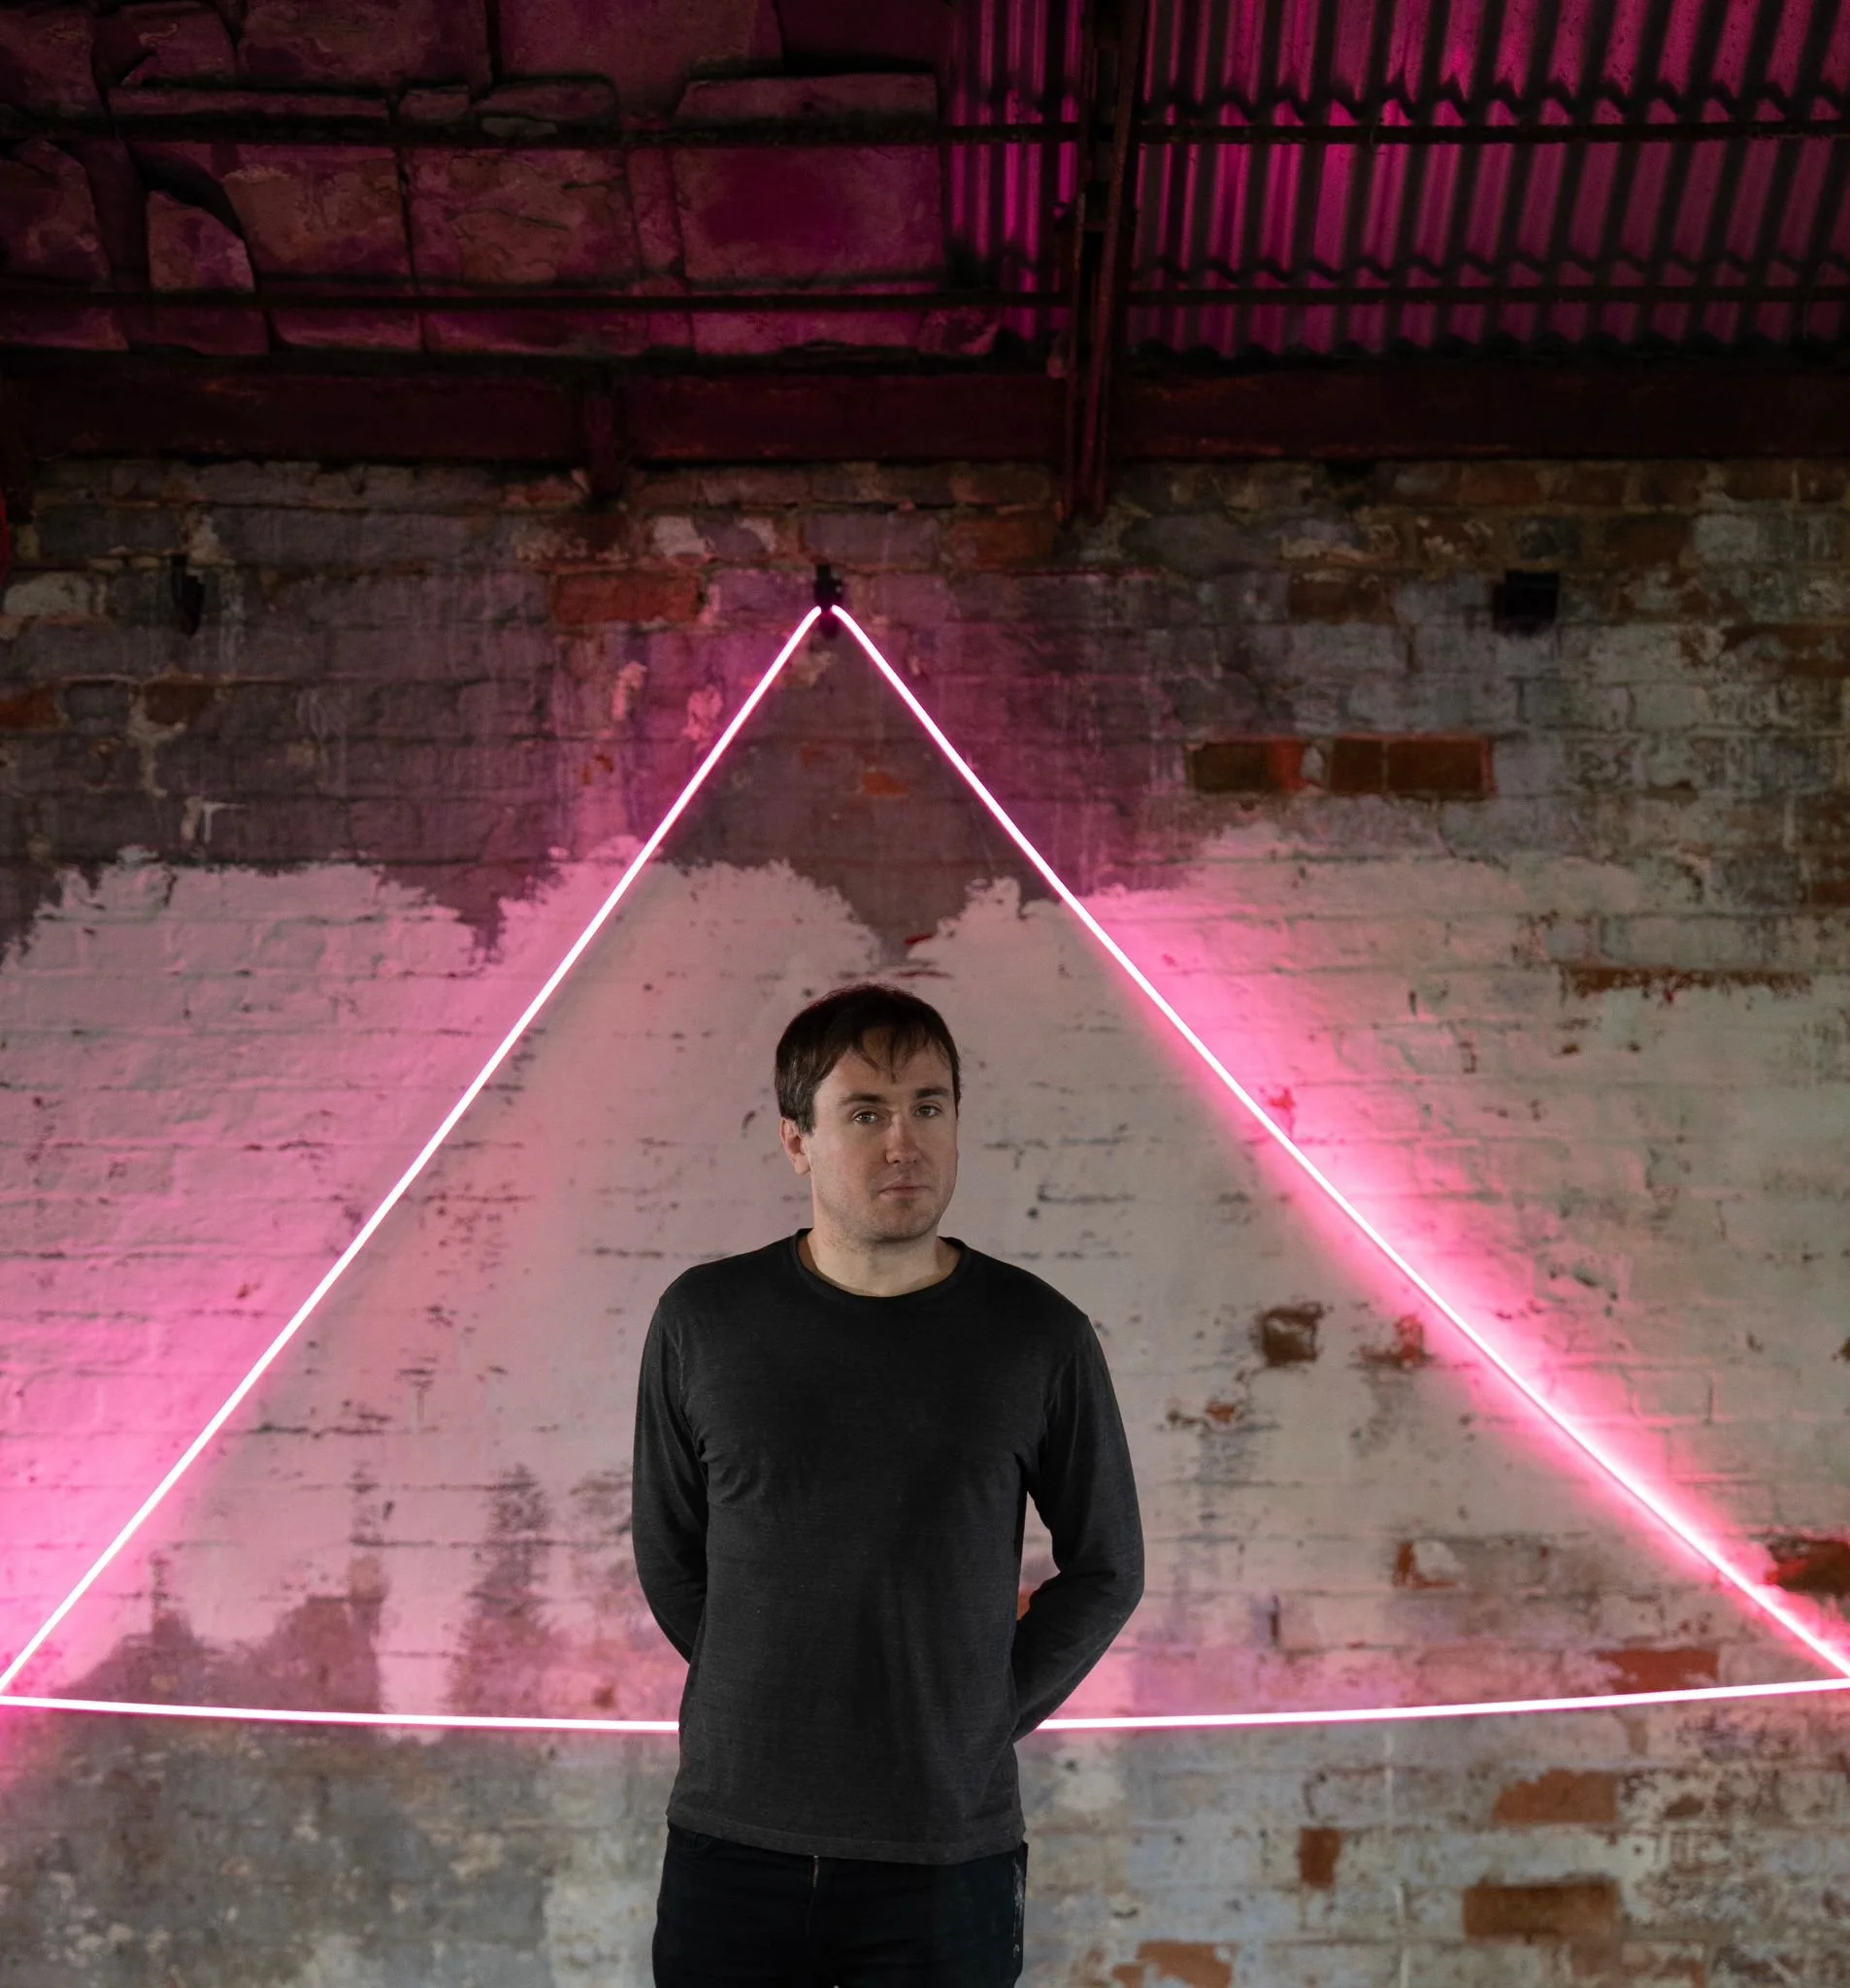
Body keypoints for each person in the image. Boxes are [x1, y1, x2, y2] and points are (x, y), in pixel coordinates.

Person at [633, 981, 1144, 1986]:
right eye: (865, 1112)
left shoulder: (1037, 1335)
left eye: (928, 1106)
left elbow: (1107, 1566)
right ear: (797, 1141)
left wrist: (978, 1705)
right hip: (734, 1844)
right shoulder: (706, 1319)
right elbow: (670, 1555)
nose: (902, 1141)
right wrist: (774, 1688)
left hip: (941, 1853)